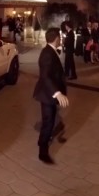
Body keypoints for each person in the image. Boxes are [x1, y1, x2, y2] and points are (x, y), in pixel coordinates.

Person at [32, 27, 69, 164]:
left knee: (51, 120)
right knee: (48, 122)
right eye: (60, 37)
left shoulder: (50, 51)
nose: (61, 39)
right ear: (56, 38)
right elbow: (45, 76)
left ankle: (43, 141)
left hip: (49, 94)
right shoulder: (47, 53)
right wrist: (58, 93)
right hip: (47, 94)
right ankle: (43, 151)